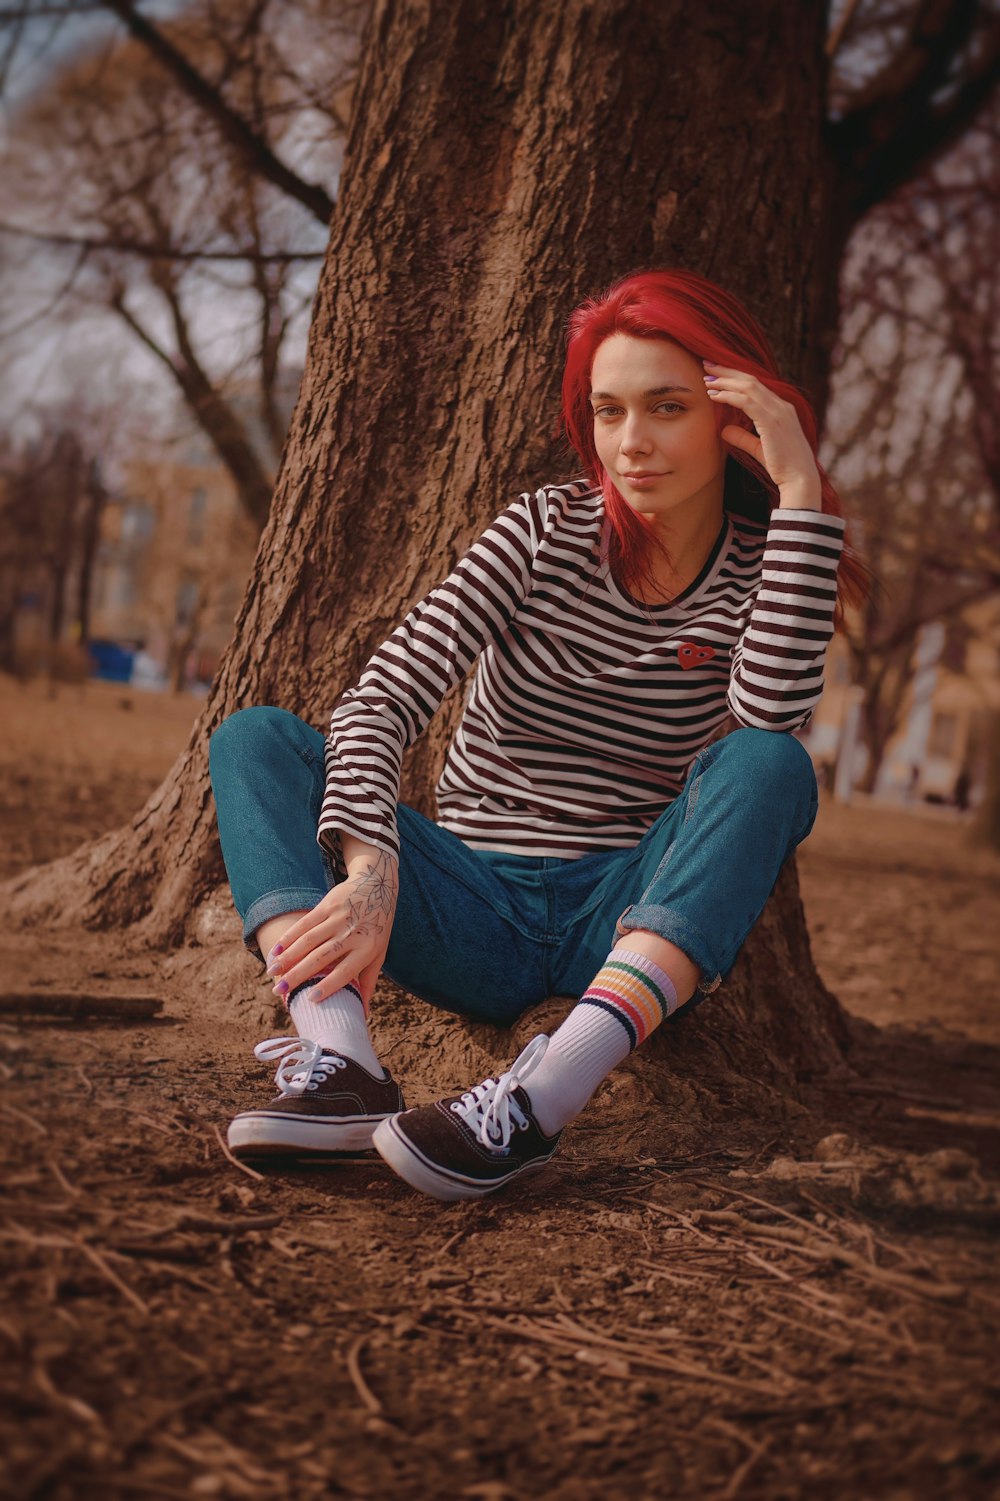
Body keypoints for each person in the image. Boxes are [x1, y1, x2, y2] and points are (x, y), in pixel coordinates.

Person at [209, 269, 869, 1203]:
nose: (631, 443)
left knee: (771, 764)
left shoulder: (767, 569)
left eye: (667, 407)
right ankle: (339, 1060)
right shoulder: (541, 531)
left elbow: (769, 717)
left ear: (735, 419)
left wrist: (800, 484)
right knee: (255, 742)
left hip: (625, 918)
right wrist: (370, 869)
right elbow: (383, 696)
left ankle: (541, 1098)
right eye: (608, 411)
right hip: (473, 904)